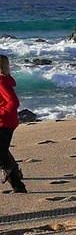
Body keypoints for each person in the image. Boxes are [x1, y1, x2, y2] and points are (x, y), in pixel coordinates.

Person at [0, 55, 27, 193]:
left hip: (4, 123)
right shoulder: (4, 81)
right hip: (6, 122)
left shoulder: (2, 82)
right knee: (3, 150)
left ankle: (17, 184)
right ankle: (14, 172)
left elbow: (13, 103)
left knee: (1, 153)